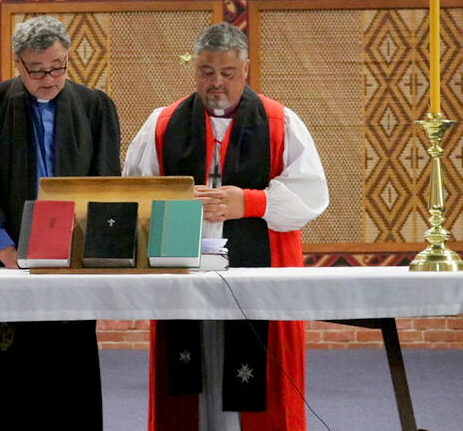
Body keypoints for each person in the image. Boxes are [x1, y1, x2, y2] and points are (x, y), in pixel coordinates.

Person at [123, 22, 329, 431]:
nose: (217, 83)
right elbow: (135, 192)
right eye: (206, 72)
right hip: (184, 274)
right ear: (194, 71)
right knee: (189, 379)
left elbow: (311, 196)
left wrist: (250, 202)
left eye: (227, 73)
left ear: (246, 70)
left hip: (256, 274)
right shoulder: (162, 124)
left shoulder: (280, 122)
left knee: (257, 378)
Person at [0, 15, 121, 430]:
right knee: (4, 384)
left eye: (58, 66)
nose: (49, 78)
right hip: (4, 260)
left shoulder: (95, 107)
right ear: (17, 63)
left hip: (70, 266)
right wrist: (7, 251)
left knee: (66, 381)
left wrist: (92, 250)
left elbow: (106, 188)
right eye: (37, 69)